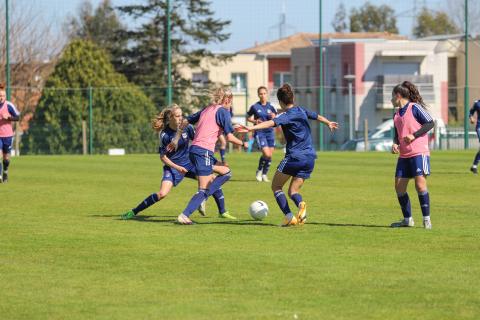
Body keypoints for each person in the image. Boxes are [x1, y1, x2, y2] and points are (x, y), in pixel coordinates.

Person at [246, 84, 338, 226]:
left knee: (276, 186)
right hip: (310, 158)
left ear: (280, 102)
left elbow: (270, 123)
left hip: (294, 158)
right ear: (293, 98)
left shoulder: (285, 116)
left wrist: (251, 128)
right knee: (293, 191)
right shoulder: (301, 109)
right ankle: (301, 205)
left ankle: (289, 217)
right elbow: (316, 116)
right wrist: (328, 123)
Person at [120, 105, 227, 220]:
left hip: (190, 163)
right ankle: (134, 212)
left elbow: (199, 142)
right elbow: (163, 157)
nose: (180, 118)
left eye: (181, 115)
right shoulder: (164, 135)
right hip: (173, 167)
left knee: (212, 178)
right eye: (177, 116)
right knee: (162, 194)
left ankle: (222, 212)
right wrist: (177, 167)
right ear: (170, 118)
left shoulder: (188, 128)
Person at [176, 87, 248, 225]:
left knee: (226, 172)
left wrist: (177, 136)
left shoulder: (207, 109)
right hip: (204, 152)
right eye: (231, 102)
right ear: (227, 99)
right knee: (204, 189)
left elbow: (186, 121)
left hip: (195, 150)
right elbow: (230, 138)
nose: (231, 105)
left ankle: (204, 198)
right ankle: (185, 214)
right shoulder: (223, 111)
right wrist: (244, 144)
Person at [390, 81, 435, 229]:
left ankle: (426, 219)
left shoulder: (414, 108)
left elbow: (430, 123)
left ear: (398, 95)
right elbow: (397, 134)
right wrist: (395, 143)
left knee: (420, 185)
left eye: (392, 96)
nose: (390, 100)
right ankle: (407, 220)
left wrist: (414, 135)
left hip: (418, 153)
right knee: (399, 187)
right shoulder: (396, 114)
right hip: (403, 155)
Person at [247, 86, 277, 182]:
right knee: (266, 154)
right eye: (261, 93)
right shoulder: (255, 107)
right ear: (258, 95)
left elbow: (276, 117)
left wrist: (274, 116)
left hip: (270, 132)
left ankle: (264, 174)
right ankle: (259, 170)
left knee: (269, 155)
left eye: (264, 93)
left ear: (267, 94)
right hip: (260, 132)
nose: (263, 95)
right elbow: (247, 117)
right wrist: (255, 121)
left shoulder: (271, 106)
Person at [0, 84, 20, 183]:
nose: (1, 97)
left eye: (2, 96)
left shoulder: (9, 105)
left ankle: (5, 172)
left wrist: (9, 118)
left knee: (6, 159)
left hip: (7, 136)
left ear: (5, 96)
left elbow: (17, 117)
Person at [469, 100, 480, 174]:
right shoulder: (477, 103)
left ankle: (474, 166)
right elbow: (470, 112)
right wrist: (471, 118)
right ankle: (475, 166)